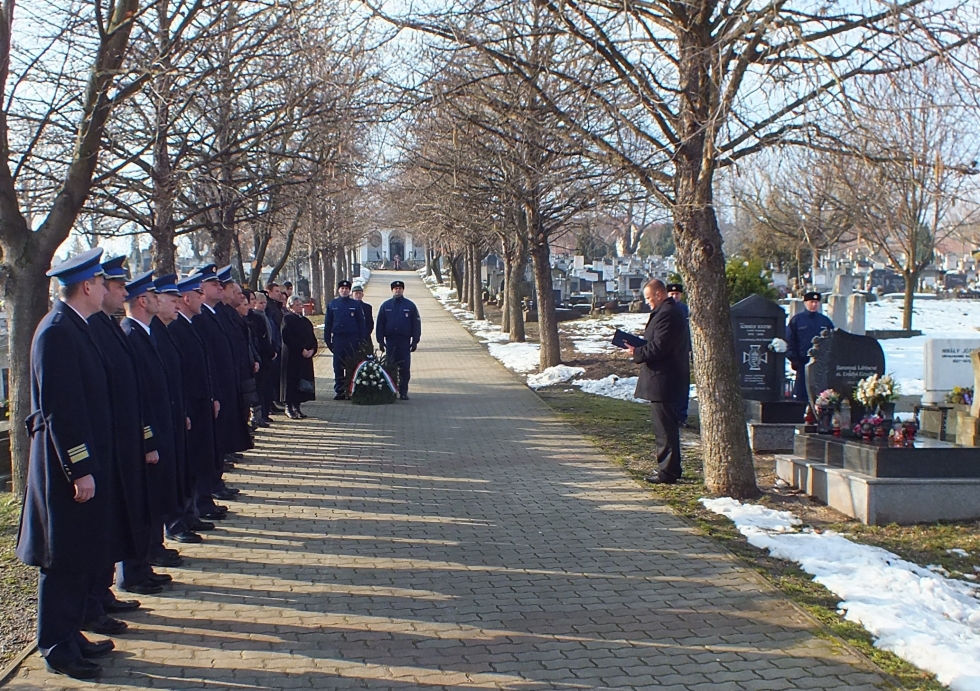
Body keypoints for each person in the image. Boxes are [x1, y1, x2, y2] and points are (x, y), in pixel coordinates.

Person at [17, 248, 136, 680]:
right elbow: (60, 411)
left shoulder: (78, 327)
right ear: (86, 286)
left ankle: (72, 633)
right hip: (64, 472)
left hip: (84, 465)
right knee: (63, 558)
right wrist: (80, 468)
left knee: (81, 552)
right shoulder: (57, 332)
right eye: (103, 283)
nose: (107, 289)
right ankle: (55, 646)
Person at [83, 256, 153, 634]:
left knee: (112, 520)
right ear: (96, 288)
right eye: (118, 287)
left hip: (119, 439)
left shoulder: (106, 326)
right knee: (101, 526)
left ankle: (102, 593)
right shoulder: (86, 329)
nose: (124, 293)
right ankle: (92, 601)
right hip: (103, 444)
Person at [119, 272, 182, 595]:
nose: (160, 299)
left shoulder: (145, 332)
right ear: (143, 301)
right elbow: (137, 394)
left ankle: (145, 562)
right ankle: (133, 570)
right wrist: (148, 438)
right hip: (147, 433)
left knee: (153, 499)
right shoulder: (131, 334)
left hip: (160, 426)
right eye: (155, 295)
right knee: (142, 504)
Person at [166, 275, 219, 541]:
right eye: (198, 293)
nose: (201, 298)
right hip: (187, 407)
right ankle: (180, 518)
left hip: (198, 404)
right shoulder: (175, 328)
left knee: (197, 461)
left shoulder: (189, 325)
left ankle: (191, 513)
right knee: (188, 465)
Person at [190, 264, 247, 505]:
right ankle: (209, 489)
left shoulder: (216, 314)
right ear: (199, 289)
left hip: (224, 387)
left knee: (219, 441)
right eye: (214, 285)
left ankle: (214, 484)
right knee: (210, 444)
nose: (220, 288)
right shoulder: (201, 317)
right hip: (213, 391)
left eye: (220, 285)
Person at [625, 279, 689, 485]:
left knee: (665, 430)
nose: (648, 303)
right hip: (663, 379)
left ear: (659, 295)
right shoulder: (667, 311)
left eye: (649, 298)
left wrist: (637, 352)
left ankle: (667, 472)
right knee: (665, 428)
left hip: (664, 379)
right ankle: (671, 468)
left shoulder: (668, 314)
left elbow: (660, 347)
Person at [376, 280, 421, 400]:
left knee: (404, 368)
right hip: (390, 341)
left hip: (404, 341)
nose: (398, 290)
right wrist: (380, 340)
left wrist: (415, 340)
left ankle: (403, 391)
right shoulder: (385, 306)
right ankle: (391, 390)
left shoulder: (410, 306)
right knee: (390, 367)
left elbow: (416, 324)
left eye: (400, 288)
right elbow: (380, 324)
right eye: (395, 288)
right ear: (392, 290)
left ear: (403, 290)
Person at [786, 291, 834, 401]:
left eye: (816, 302)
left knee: (821, 395)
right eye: (812, 302)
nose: (814, 305)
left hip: (822, 365)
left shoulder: (824, 321)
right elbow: (790, 340)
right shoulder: (797, 320)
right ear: (805, 303)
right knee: (802, 394)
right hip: (803, 362)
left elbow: (832, 339)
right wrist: (794, 359)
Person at [325, 279, 366, 400]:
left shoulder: (355, 305)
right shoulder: (332, 305)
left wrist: (360, 340)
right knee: (338, 366)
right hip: (338, 339)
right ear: (338, 290)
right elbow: (328, 324)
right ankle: (339, 390)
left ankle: (349, 389)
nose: (344, 290)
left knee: (350, 365)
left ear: (349, 291)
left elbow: (361, 324)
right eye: (342, 289)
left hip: (352, 339)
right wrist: (328, 340)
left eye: (347, 289)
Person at [281, 295, 318, 418]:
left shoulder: (305, 321)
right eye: (297, 305)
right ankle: (289, 407)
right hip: (292, 357)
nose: (300, 307)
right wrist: (301, 349)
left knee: (301, 384)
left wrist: (312, 349)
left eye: (301, 304)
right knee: (291, 382)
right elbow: (287, 337)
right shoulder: (287, 319)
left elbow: (312, 338)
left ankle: (297, 407)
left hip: (305, 358)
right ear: (290, 306)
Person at [665, 282, 691, 426]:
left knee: (682, 386)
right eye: (672, 294)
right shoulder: (665, 309)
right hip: (668, 353)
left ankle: (681, 415)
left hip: (683, 352)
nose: (674, 296)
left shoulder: (685, 310)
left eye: (677, 294)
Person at [263, 282, 285, 415]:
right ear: (269, 292)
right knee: (270, 378)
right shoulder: (269, 307)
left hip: (279, 344)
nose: (279, 293)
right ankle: (270, 404)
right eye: (276, 291)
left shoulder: (276, 305)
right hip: (274, 345)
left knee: (275, 376)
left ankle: (273, 402)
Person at [351, 284, 373, 349]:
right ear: (352, 294)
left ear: (362, 295)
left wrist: (365, 334)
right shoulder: (347, 307)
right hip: (351, 337)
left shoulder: (367, 307)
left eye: (360, 293)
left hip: (365, 337)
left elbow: (370, 323)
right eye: (356, 293)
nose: (358, 295)